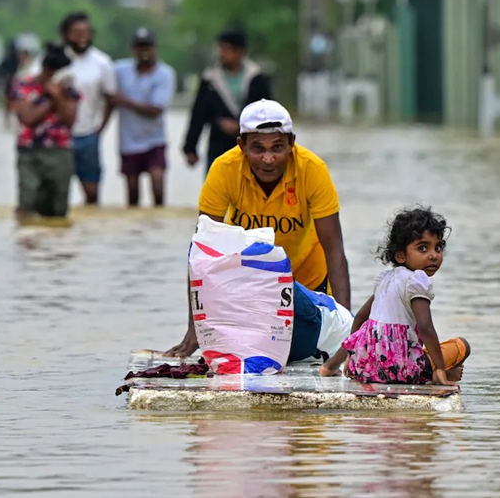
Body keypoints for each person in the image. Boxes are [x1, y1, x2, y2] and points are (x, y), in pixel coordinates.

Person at [165, 99, 350, 358]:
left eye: (277, 148)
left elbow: (335, 251)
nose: (268, 159)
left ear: (291, 143)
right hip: (248, 284)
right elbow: (202, 254)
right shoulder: (223, 169)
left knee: (295, 349)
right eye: (257, 148)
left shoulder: (313, 169)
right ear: (241, 146)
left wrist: (346, 330)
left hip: (306, 285)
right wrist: (197, 329)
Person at [320, 207, 469, 386]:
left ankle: (328, 367)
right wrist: (439, 368)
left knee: (391, 341)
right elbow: (425, 327)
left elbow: (360, 317)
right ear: (400, 255)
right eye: (423, 248)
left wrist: (350, 356)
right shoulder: (416, 280)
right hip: (399, 370)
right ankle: (440, 372)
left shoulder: (385, 278)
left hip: (365, 367)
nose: (433, 256)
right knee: (461, 346)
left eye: (438, 248)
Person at [183, 28, 273, 172]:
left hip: (252, 149)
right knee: (215, 191)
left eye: (226, 49)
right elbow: (198, 114)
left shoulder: (256, 78)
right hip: (218, 147)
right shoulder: (210, 79)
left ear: (239, 51)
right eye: (220, 49)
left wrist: (241, 126)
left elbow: (268, 113)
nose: (222, 54)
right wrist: (190, 148)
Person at [12, 43, 79, 223]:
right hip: (30, 152)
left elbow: (70, 121)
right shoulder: (24, 86)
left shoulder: (69, 90)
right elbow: (28, 118)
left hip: (60, 152)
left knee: (57, 208)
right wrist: (50, 98)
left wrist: (59, 96)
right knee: (28, 202)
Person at [56, 12, 117, 205]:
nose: (82, 37)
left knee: (91, 193)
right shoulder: (54, 60)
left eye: (86, 32)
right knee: (57, 193)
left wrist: (100, 129)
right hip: (59, 135)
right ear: (66, 35)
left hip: (89, 134)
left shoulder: (102, 62)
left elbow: (111, 99)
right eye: (76, 33)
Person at [112, 28, 176, 207]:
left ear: (155, 48)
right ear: (133, 49)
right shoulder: (120, 70)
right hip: (129, 141)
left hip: (155, 139)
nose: (144, 51)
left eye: (147, 46)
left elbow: (156, 109)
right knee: (132, 193)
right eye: (140, 47)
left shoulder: (165, 74)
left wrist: (124, 101)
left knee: (158, 187)